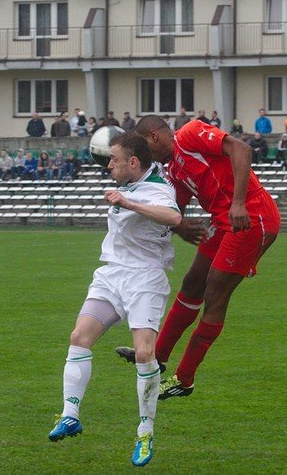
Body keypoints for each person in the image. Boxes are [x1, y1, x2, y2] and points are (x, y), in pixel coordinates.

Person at [118, 116, 281, 400]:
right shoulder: (173, 169)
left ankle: (184, 379)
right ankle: (157, 356)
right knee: (192, 283)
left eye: (145, 147)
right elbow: (176, 208)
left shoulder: (190, 134)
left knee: (215, 292)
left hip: (251, 216)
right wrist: (178, 226)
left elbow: (241, 149)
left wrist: (238, 204)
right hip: (223, 221)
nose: (146, 155)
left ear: (154, 136)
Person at [48, 132, 181, 468]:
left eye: (115, 160)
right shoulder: (133, 182)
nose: (109, 166)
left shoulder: (158, 189)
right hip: (112, 274)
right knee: (79, 337)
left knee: (144, 353)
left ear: (133, 162)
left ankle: (145, 432)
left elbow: (174, 218)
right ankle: (70, 414)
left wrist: (127, 202)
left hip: (145, 278)